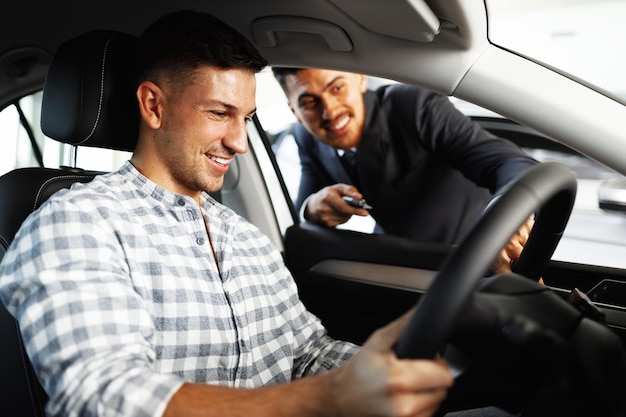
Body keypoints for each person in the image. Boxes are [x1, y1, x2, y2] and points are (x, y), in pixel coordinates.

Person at [0, 10, 454, 417]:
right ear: (153, 105)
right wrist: (322, 400)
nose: (239, 142)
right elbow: (103, 395)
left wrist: (395, 371)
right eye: (220, 113)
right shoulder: (76, 224)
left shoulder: (248, 238)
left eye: (247, 118)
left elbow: (305, 354)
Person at [271, 69, 538, 259]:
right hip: (397, 262)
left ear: (360, 79)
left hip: (475, 257)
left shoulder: (413, 105)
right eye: (308, 102)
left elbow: (511, 164)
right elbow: (300, 216)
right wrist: (313, 208)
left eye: (337, 88)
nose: (329, 112)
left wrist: (509, 216)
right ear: (294, 110)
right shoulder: (305, 137)